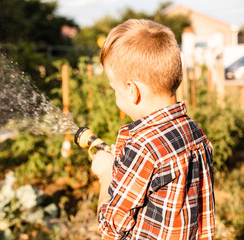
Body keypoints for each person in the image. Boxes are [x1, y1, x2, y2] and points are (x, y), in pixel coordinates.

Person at [91, 19, 215, 240]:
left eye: (114, 89)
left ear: (132, 91)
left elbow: (111, 227)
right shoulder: (196, 133)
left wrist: (107, 174)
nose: (114, 95)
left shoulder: (142, 148)